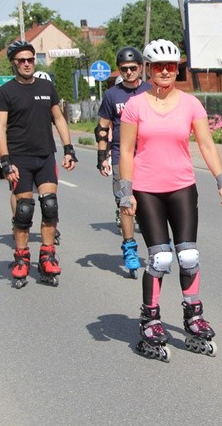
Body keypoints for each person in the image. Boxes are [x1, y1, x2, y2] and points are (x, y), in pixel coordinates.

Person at [118, 38, 222, 360]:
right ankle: (150, 318)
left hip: (182, 186)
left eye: (171, 66)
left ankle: (193, 314)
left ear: (177, 69)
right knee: (160, 259)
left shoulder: (190, 104)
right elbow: (126, 150)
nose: (166, 71)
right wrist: (125, 191)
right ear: (149, 70)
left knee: (188, 256)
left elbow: (207, 145)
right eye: (159, 67)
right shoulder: (135, 106)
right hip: (146, 188)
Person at [0, 40, 78, 288]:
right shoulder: (5, 92)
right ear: (13, 63)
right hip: (19, 158)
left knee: (50, 206)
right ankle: (21, 258)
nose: (27, 64)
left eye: (31, 59)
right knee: (24, 211)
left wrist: (69, 148)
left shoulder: (46, 86)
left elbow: (59, 118)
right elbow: (0, 127)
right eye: (22, 60)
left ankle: (47, 256)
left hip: (45, 156)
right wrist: (6, 161)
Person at [95, 46, 151, 278]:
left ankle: (158, 248)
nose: (128, 72)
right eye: (124, 69)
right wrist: (102, 157)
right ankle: (129, 248)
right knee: (127, 204)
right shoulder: (112, 95)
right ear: (119, 70)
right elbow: (102, 127)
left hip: (149, 156)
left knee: (151, 205)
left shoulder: (151, 90)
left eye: (133, 68)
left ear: (141, 68)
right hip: (120, 156)